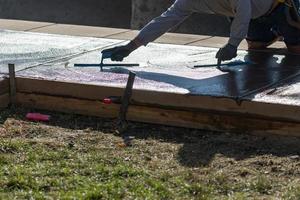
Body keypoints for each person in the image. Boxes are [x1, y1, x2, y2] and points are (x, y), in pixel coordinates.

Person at [102, 0, 300, 63]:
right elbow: (166, 20)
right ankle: (273, 34)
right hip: (252, 15)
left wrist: (232, 44)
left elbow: (244, 8)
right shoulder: (188, 1)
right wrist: (131, 46)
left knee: (296, 51)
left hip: (279, 7)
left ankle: (288, 31)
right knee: (257, 49)